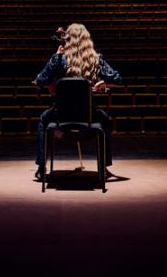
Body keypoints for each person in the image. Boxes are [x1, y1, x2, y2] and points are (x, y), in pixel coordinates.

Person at [32, 23, 123, 180]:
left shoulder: (58, 59)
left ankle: (41, 168)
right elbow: (118, 79)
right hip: (88, 115)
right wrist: (105, 83)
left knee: (43, 120)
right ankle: (104, 168)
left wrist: (55, 56)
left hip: (61, 116)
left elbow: (40, 80)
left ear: (68, 39)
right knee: (105, 120)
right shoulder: (97, 60)